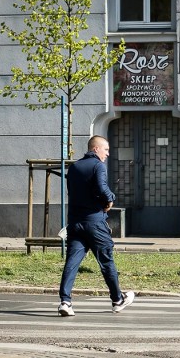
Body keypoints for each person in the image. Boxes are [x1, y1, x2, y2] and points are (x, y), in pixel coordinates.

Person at [58, 135, 134, 317]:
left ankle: (65, 301)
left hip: (75, 223)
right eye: (106, 150)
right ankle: (117, 300)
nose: (107, 154)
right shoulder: (98, 166)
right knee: (106, 260)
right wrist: (110, 199)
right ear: (95, 149)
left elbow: (73, 193)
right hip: (95, 223)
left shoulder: (74, 167)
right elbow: (101, 188)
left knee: (72, 262)